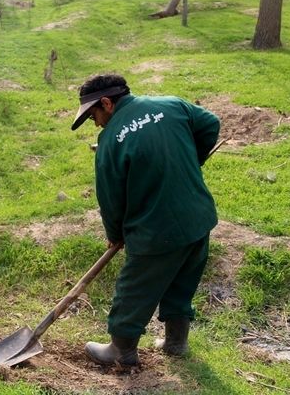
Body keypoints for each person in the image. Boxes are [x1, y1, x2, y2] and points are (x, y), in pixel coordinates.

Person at [71, 74, 220, 365]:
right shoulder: (172, 105)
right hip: (199, 218)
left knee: (134, 288)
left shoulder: (111, 141)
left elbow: (110, 200)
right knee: (182, 279)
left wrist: (115, 233)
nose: (97, 123)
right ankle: (176, 342)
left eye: (94, 116)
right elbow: (211, 124)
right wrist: (191, 160)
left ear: (106, 103)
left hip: (156, 230)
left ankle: (121, 350)